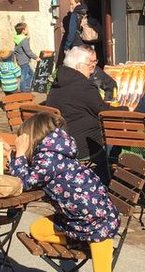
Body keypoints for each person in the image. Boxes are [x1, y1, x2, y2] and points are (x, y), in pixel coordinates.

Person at [7, 112, 120, 272]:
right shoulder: (52, 152)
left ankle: (87, 240)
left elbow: (24, 183)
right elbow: (34, 174)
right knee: (37, 230)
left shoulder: (49, 158)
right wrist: (16, 158)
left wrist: (20, 155)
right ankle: (81, 240)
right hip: (76, 220)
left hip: (96, 223)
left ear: (33, 137)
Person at [42, 45, 115, 183]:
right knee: (115, 141)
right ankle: (105, 184)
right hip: (83, 146)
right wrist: (127, 110)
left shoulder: (57, 84)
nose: (93, 70)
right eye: (90, 66)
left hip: (61, 143)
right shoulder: (84, 86)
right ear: (80, 66)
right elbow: (104, 112)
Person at [12, 22, 38, 93]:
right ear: (23, 30)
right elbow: (28, 51)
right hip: (24, 61)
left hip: (20, 60)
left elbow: (16, 50)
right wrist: (36, 58)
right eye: (27, 28)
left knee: (31, 73)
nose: (28, 30)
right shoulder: (24, 40)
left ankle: (26, 87)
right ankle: (23, 89)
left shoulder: (18, 37)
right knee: (24, 76)